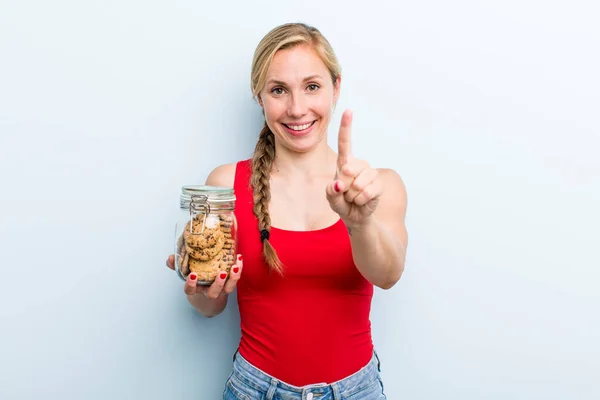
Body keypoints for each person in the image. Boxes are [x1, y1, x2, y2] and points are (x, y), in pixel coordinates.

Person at [166, 22, 408, 400]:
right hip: (254, 389)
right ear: (259, 97)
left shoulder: (378, 186)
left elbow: (388, 275)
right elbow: (210, 308)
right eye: (279, 90)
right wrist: (200, 288)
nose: (297, 109)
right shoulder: (226, 184)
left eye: (312, 86)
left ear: (336, 88)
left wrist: (359, 224)